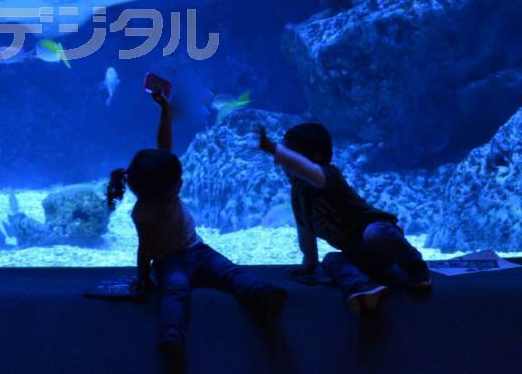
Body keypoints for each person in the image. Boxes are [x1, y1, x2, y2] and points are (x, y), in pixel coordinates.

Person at [107, 88, 287, 373]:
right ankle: (172, 339)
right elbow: (145, 248)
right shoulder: (144, 211)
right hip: (170, 262)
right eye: (177, 181)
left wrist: (165, 111)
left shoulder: (158, 188)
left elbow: (163, 146)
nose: (181, 182)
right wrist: (143, 278)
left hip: (198, 251)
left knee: (230, 272)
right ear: (163, 188)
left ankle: (262, 294)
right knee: (176, 292)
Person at [256, 122, 431, 314]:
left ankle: (416, 267)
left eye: (290, 156)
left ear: (317, 157)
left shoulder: (327, 175)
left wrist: (274, 149)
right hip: (361, 256)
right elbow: (305, 229)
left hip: (384, 240)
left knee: (376, 233)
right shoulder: (298, 194)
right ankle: (362, 288)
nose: (280, 163)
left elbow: (309, 171)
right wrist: (309, 262)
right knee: (331, 261)